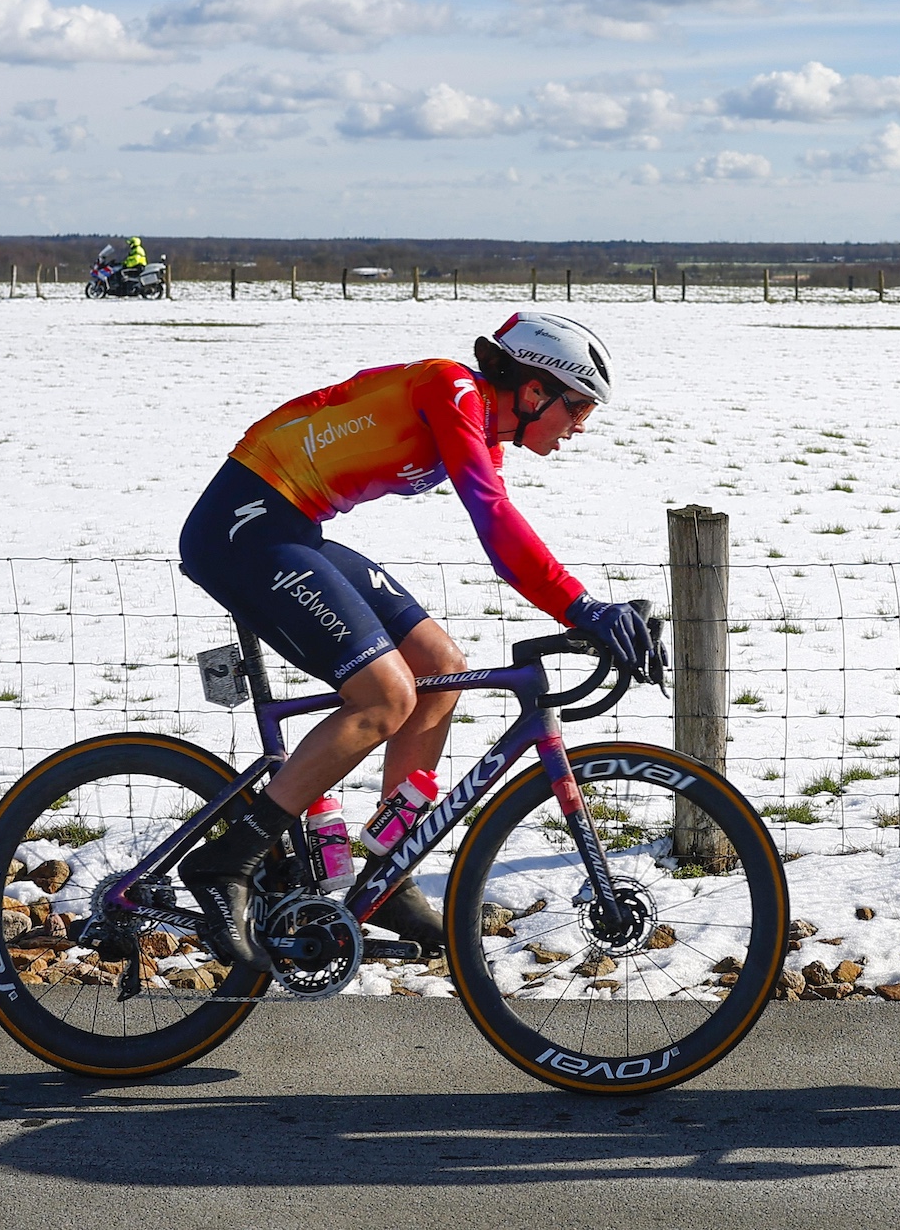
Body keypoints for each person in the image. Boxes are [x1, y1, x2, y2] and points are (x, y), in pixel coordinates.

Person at [176, 311, 660, 972]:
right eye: (576, 406)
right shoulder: (451, 389)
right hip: (244, 525)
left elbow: (504, 534)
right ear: (532, 389)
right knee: (383, 696)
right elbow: (493, 520)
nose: (581, 424)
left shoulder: (481, 427)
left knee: (441, 670)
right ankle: (228, 858)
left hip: (293, 526)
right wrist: (582, 607)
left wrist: (584, 611)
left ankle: (387, 872)